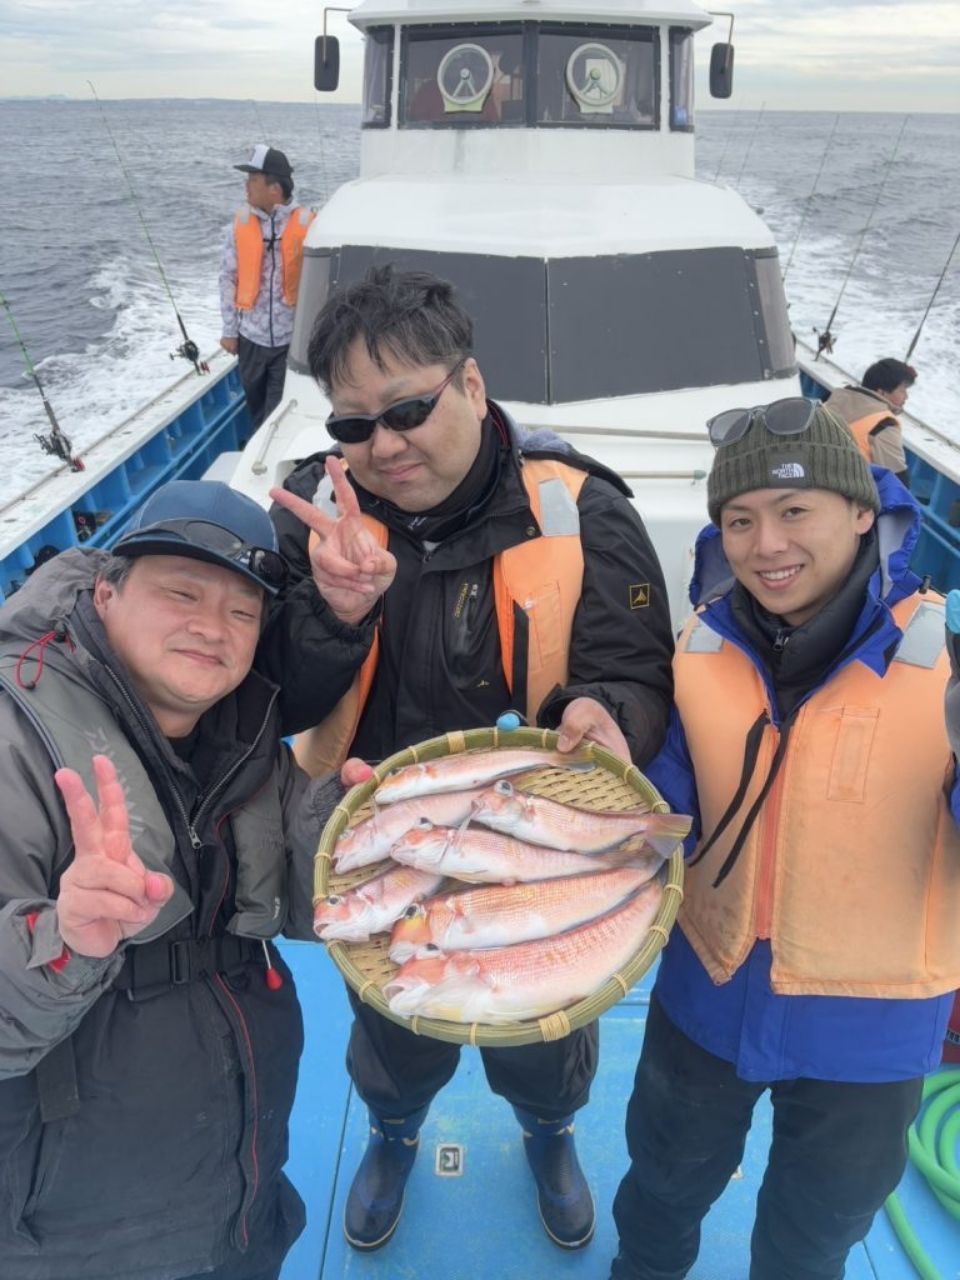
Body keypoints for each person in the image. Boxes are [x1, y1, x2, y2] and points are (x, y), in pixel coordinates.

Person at [267, 265, 675, 1254]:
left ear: (473, 384)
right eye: (354, 426)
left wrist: (605, 708)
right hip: (381, 840)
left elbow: (637, 670)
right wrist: (333, 611)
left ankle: (549, 1129)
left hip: (540, 839)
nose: (384, 446)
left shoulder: (584, 512)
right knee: (395, 1031)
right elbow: (276, 697)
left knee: (544, 1040)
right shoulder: (312, 523)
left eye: (408, 408)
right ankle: (394, 1131)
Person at [608, 400, 960, 1280]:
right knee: (658, 1196)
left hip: (871, 1031)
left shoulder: (948, 663)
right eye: (740, 519)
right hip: (705, 990)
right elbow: (665, 799)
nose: (766, 544)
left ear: (863, 514)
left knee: (810, 1242)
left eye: (794, 511)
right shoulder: (697, 646)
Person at [0, 479, 367, 1280]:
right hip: (75, 1234)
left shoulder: (241, 738)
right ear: (104, 592)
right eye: (181, 593)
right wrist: (65, 941)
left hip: (238, 1189)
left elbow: (293, 896)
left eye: (242, 612)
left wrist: (354, 827)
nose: (212, 628)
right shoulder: (12, 741)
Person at [219, 145, 315, 429]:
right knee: (256, 407)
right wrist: (229, 331)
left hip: (290, 340)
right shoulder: (240, 226)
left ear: (275, 188)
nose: (246, 186)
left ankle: (262, 464)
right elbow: (227, 278)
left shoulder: (309, 225)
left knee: (275, 415)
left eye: (253, 179)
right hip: (250, 338)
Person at [825, 357, 917, 486]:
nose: (906, 396)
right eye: (902, 390)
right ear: (882, 392)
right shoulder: (884, 425)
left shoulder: (831, 400)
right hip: (845, 493)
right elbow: (897, 483)